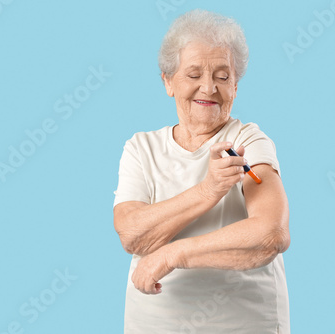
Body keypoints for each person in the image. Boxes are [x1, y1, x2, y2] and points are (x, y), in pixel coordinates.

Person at [113, 9, 290, 333]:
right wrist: (208, 190)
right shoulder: (141, 148)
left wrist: (172, 255)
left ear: (235, 86)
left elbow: (270, 235)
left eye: (222, 77)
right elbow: (132, 234)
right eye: (194, 75)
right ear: (168, 81)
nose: (208, 88)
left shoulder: (248, 142)